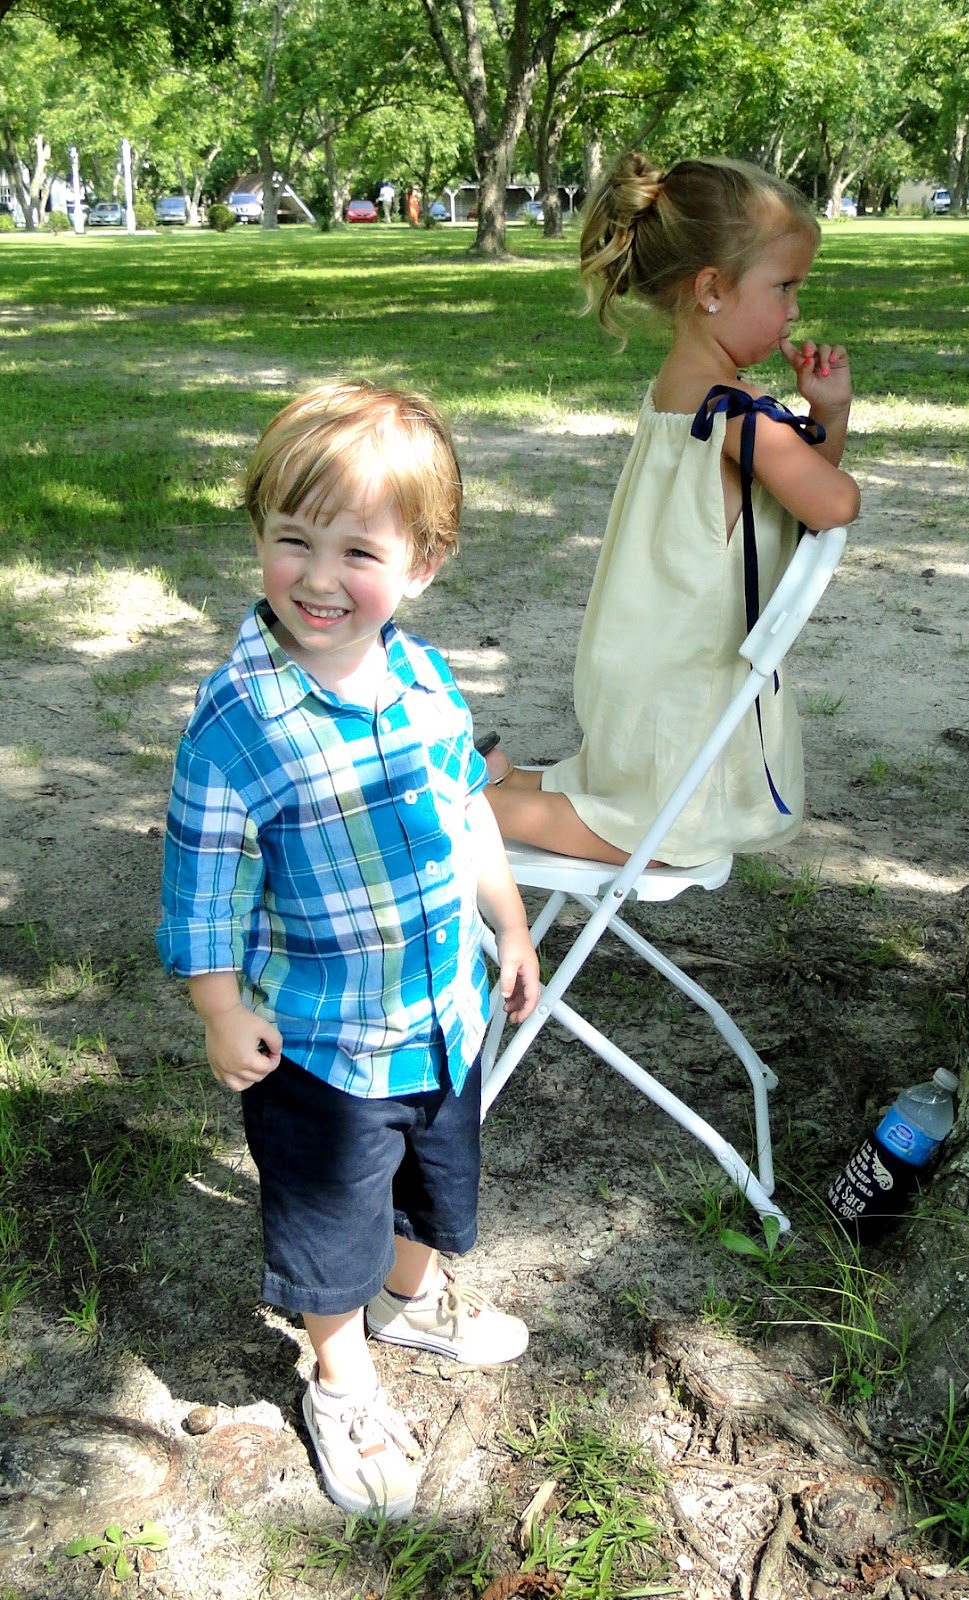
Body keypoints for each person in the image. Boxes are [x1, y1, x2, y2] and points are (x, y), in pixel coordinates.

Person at [157, 382, 540, 1521]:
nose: (319, 578)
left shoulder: (422, 677)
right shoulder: (240, 720)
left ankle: (410, 1301)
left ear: (422, 564)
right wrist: (220, 1008)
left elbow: (468, 809)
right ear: (259, 536)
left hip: (442, 1018)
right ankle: (340, 1376)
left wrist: (510, 922)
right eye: (294, 540)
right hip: (322, 1046)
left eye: (357, 551)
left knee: (436, 1188)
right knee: (331, 1228)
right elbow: (201, 884)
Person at [484, 152, 861, 868]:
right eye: (784, 286)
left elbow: (798, 500)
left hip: (652, 651)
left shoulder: (685, 389)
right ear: (712, 289)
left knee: (643, 804)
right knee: (660, 836)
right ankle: (469, 809)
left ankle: (496, 781)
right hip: (682, 670)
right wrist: (818, 421)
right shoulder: (733, 411)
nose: (793, 310)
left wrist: (826, 415)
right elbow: (834, 501)